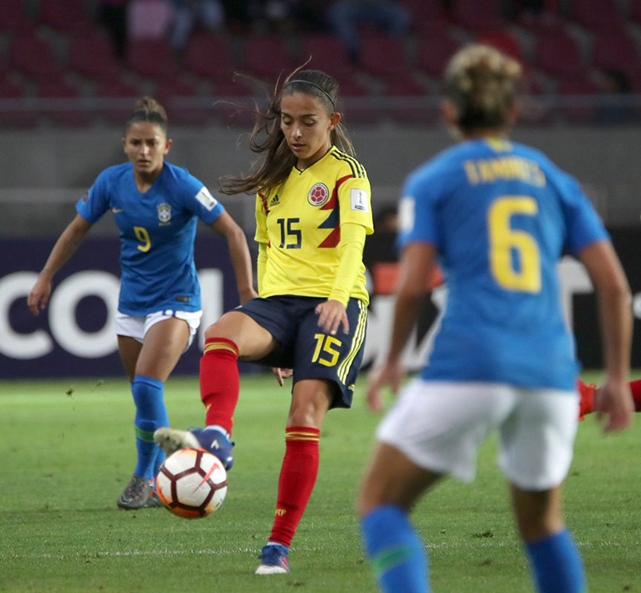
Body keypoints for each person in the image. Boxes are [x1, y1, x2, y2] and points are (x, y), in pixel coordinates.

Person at [357, 44, 634, 593]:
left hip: (470, 363)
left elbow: (412, 284)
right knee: (542, 524)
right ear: (513, 111)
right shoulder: (554, 179)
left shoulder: (434, 179)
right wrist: (619, 379)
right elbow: (614, 285)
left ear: (448, 112)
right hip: (551, 375)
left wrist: (390, 362)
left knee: (380, 503)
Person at [156, 68, 374, 574]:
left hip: (335, 305)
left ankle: (278, 545)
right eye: (287, 122)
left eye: (307, 123)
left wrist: (339, 299)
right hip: (280, 302)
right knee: (221, 334)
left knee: (302, 418)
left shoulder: (348, 174)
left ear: (333, 121)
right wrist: (264, 317)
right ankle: (217, 437)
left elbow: (354, 244)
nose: (295, 132)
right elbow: (267, 248)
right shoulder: (273, 180)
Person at [27, 96, 257, 511]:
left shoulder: (183, 184)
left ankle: (146, 475)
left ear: (167, 146)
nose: (144, 151)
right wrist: (46, 275)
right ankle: (154, 477)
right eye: (137, 143)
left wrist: (246, 297)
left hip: (178, 300)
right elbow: (77, 229)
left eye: (152, 143)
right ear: (125, 145)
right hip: (132, 303)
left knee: (149, 383)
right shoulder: (111, 183)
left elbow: (234, 233)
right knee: (143, 394)